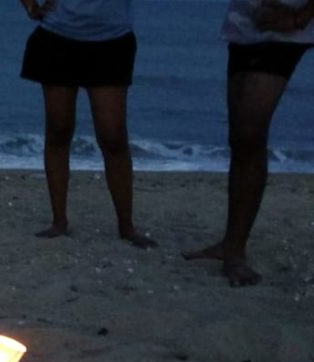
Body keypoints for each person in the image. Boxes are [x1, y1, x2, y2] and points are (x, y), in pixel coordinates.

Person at [184, 0, 314, 286]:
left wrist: (300, 17)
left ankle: (236, 250)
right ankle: (231, 242)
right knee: (240, 138)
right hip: (246, 22)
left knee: (249, 134)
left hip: (284, 28)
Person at [19, 0, 157, 249]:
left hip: (111, 39)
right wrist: (31, 5)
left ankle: (126, 225)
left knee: (113, 136)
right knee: (59, 130)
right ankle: (59, 221)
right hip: (58, 36)